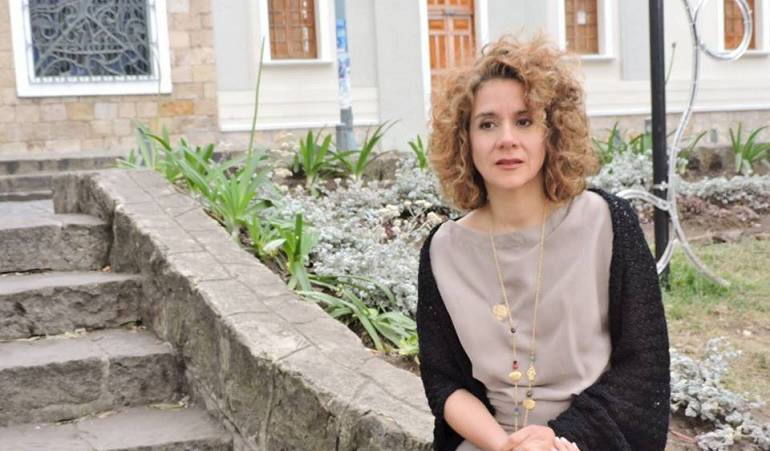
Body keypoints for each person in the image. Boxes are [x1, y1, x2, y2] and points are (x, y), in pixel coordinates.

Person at [416, 34, 671, 451]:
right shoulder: (444, 250)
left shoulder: (606, 223)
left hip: (589, 439)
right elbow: (444, 383)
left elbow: (642, 368)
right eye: (487, 124)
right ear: (464, 139)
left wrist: (556, 438)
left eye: (524, 121)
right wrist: (505, 446)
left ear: (551, 133)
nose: (506, 139)